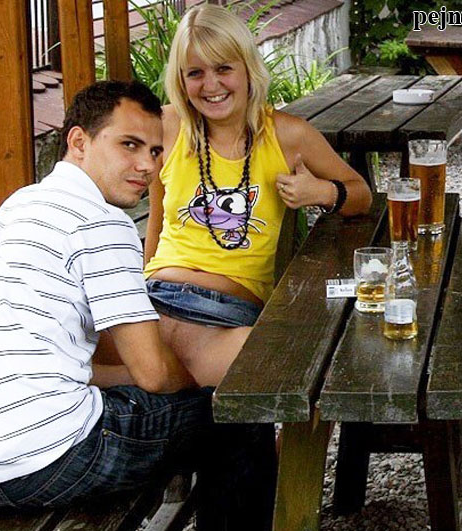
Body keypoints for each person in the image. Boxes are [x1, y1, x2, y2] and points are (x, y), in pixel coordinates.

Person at [0, 81, 277, 531]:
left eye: (156, 151)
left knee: (42, 421)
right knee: (235, 418)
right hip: (49, 455)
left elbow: (72, 363)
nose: (147, 165)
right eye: (129, 145)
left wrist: (128, 377)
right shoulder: (101, 224)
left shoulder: (22, 206)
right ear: (79, 141)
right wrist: (199, 380)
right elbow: (155, 375)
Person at [143, 4, 373, 386]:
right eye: (195, 73)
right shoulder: (166, 126)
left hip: (228, 310)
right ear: (180, 80)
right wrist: (137, 293)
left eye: (223, 68)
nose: (211, 85)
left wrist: (320, 191)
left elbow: (361, 194)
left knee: (281, 361)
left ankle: (158, 378)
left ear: (248, 68)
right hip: (157, 294)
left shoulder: (287, 134)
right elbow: (157, 221)